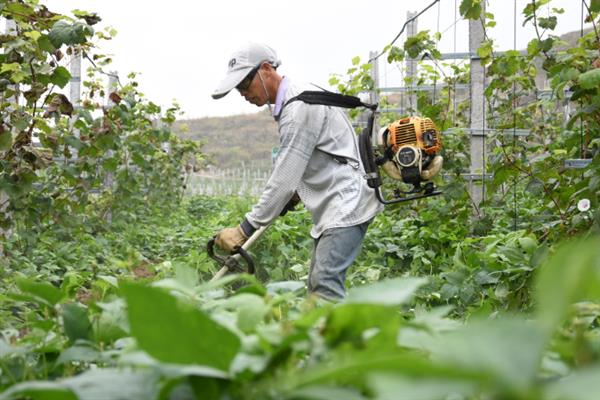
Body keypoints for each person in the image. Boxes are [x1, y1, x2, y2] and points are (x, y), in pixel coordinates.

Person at [211, 42, 383, 300]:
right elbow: (316, 156)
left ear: (266, 69)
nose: (243, 93)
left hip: (346, 203)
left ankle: (348, 339)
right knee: (318, 287)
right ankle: (326, 337)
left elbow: (284, 179)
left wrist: (243, 229)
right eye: (238, 88)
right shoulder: (294, 100)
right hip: (336, 202)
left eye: (245, 84)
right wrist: (293, 196)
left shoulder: (297, 109)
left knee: (324, 287)